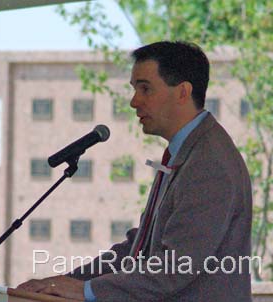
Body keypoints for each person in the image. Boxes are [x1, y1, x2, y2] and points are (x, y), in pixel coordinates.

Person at [17, 41, 253, 301]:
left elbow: (173, 268)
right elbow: (138, 249)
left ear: (183, 92)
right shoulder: (187, 151)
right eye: (134, 89)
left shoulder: (209, 162)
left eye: (145, 89)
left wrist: (85, 290)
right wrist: (69, 282)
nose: (133, 102)